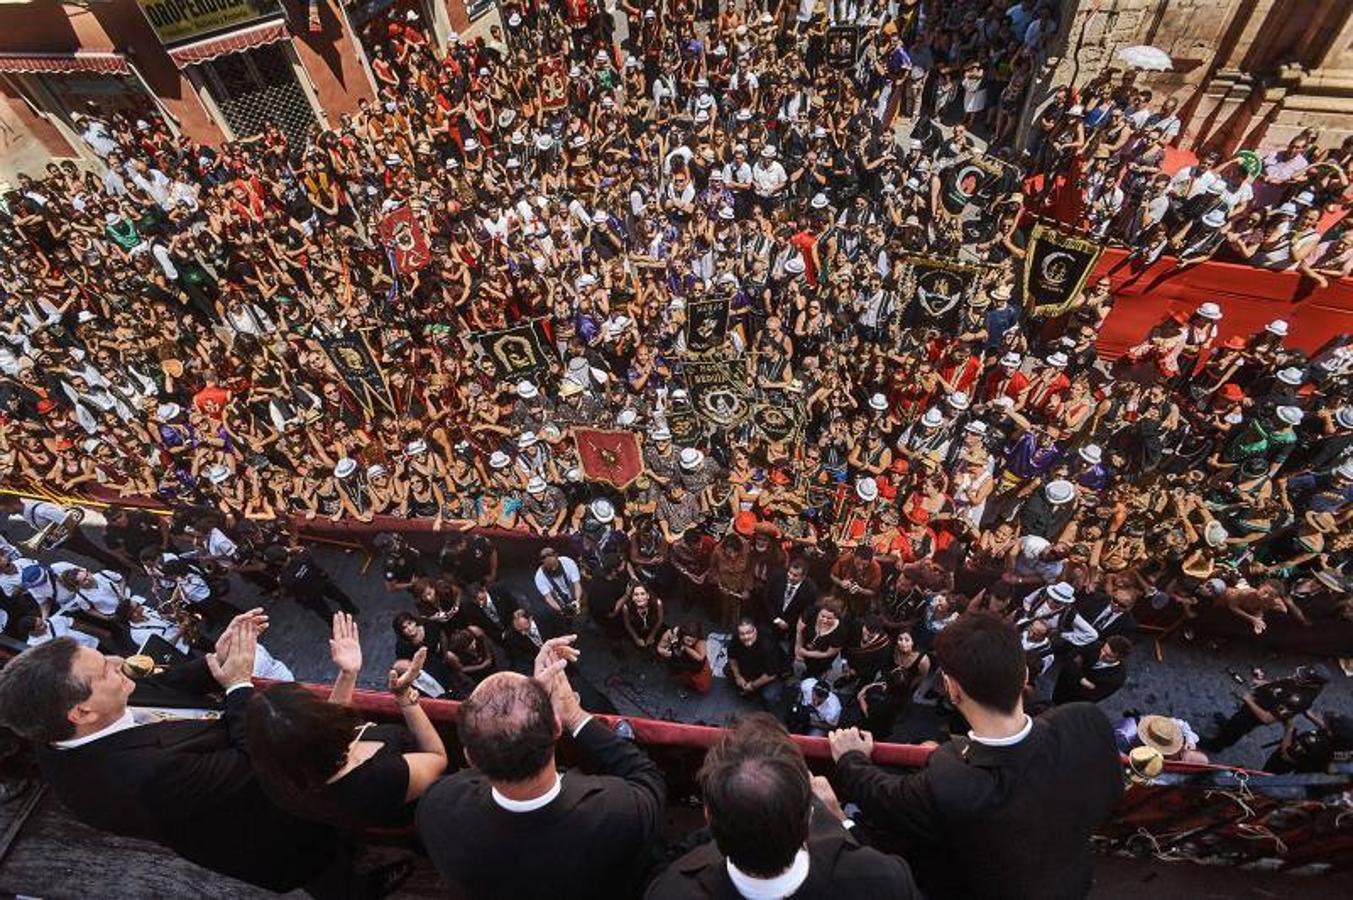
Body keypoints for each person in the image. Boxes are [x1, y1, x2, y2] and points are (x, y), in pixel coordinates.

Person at [0, 610, 404, 895]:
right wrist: (239, 685)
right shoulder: (137, 777)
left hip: (251, 783)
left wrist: (215, 663)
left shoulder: (72, 713)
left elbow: (166, 686)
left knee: (333, 840)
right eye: (103, 669)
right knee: (322, 867)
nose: (117, 661)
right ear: (81, 712)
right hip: (264, 824)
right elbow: (253, 760)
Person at [828, 611, 1122, 899]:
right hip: (1071, 882)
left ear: (951, 688)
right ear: (1025, 674)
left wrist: (850, 758)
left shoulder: (950, 780)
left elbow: (883, 796)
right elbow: (1110, 792)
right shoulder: (1086, 723)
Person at [417, 636, 666, 899]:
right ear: (558, 728)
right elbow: (648, 779)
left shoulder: (437, 806)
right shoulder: (617, 811)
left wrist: (532, 701)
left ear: (470, 758)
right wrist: (574, 714)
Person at [646, 714, 920, 899]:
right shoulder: (884, 879)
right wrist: (839, 819)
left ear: (708, 816)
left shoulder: (670, 891)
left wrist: (732, 816)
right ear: (809, 815)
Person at [245, 613, 448, 832]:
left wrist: (348, 673)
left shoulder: (285, 779)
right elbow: (438, 759)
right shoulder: (381, 777)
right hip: (435, 807)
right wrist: (405, 699)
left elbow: (324, 727)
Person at [1200, 665, 1330, 754]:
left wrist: (1248, 700)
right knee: (1235, 720)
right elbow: (1285, 684)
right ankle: (1227, 726)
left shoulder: (1298, 700)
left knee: (1238, 726)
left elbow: (1267, 718)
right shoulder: (1304, 680)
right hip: (1260, 700)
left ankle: (1218, 745)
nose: (1297, 676)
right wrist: (1265, 684)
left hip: (1256, 713)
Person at [727, 618, 786, 709]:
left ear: (755, 630)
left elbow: (771, 674)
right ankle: (749, 691)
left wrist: (752, 685)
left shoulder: (767, 645)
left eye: (749, 632)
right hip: (749, 667)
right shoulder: (735, 639)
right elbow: (732, 658)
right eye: (742, 634)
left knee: (769, 695)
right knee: (727, 670)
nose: (746, 637)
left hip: (769, 674)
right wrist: (738, 677)